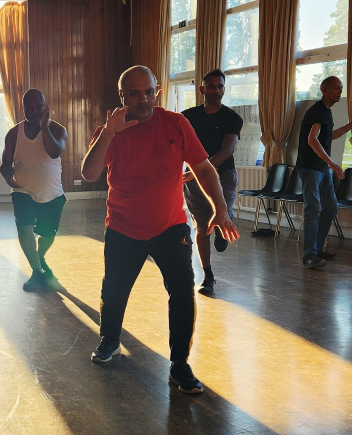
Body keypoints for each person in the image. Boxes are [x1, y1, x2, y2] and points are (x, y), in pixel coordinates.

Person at [82, 65, 241, 395]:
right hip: (123, 227)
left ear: (157, 91)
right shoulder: (110, 130)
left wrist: (220, 208)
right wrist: (108, 133)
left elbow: (203, 168)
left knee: (182, 292)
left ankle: (180, 362)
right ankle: (110, 340)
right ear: (122, 96)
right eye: (134, 93)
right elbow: (89, 173)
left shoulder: (176, 123)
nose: (143, 99)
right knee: (114, 290)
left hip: (170, 227)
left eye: (149, 92)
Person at [295, 76, 352, 269]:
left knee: (330, 207)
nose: (340, 91)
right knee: (313, 208)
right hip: (310, 167)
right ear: (324, 89)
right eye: (336, 88)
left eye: (341, 88)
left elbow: (330, 135)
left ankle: (318, 249)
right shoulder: (317, 111)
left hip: (321, 168)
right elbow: (312, 140)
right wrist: (333, 164)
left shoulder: (327, 113)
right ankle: (309, 255)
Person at [180, 69, 243, 294]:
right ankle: (207, 275)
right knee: (202, 226)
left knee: (223, 211)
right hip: (193, 178)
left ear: (224, 89)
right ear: (202, 90)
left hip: (224, 175)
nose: (216, 90)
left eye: (220, 86)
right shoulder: (187, 117)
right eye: (211, 86)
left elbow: (227, 150)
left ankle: (222, 221)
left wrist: (201, 169)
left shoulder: (232, 118)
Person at [0, 88, 68, 292]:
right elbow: (5, 163)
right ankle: (37, 272)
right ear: (23, 109)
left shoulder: (58, 130)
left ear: (45, 106)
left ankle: (40, 257)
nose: (34, 111)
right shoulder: (14, 134)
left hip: (52, 193)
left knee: (48, 234)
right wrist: (8, 175)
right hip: (23, 191)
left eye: (38, 106)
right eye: (29, 108)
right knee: (24, 229)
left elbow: (54, 152)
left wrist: (44, 127)